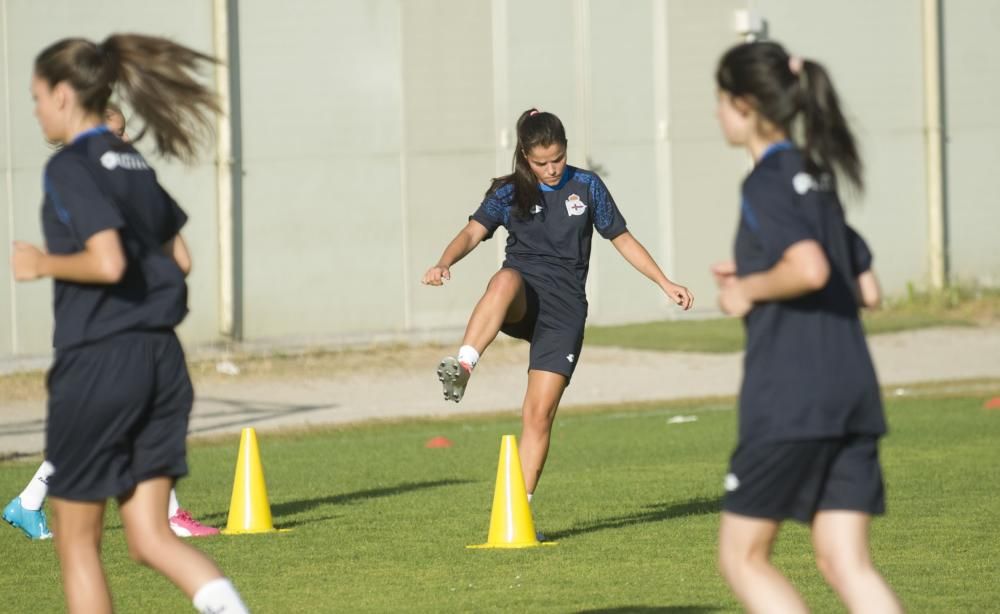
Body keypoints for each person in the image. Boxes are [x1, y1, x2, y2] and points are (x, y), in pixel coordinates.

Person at [12, 35, 247, 612]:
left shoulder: (70, 166)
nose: (36, 109)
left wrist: (40, 263)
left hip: (100, 361)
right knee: (149, 536)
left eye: (38, 96)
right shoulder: (136, 163)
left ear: (64, 95)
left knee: (77, 541)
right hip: (161, 363)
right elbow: (181, 260)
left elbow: (108, 261)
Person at [422, 108, 693, 519]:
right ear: (524, 156)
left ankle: (518, 513)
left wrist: (664, 281)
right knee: (504, 280)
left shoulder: (587, 186)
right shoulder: (508, 191)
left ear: (566, 150)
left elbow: (621, 238)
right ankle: (463, 365)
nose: (551, 169)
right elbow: (472, 232)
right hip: (524, 297)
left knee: (538, 414)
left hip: (564, 313)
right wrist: (445, 262)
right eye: (541, 162)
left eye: (558, 159)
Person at [710, 40, 902, 613]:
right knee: (845, 562)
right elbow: (866, 287)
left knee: (742, 558)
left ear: (744, 104)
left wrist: (745, 288)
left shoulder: (765, 182)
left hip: (792, 398)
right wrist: (759, 269)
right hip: (852, 394)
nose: (717, 113)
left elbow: (810, 268)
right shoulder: (818, 178)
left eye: (720, 100)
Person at [3, 104, 218, 541]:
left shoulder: (120, 184)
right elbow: (111, 262)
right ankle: (164, 520)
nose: (120, 142)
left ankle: (29, 502)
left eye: (122, 133)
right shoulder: (84, 188)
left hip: (126, 327)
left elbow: (179, 260)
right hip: (106, 330)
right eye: (110, 133)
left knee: (115, 423)